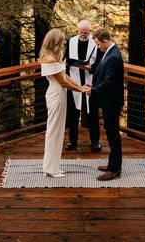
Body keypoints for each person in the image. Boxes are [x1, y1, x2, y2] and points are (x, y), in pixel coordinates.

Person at [39, 28, 90, 178]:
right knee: (53, 131)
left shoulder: (55, 56)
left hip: (60, 94)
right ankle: (50, 169)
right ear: (55, 42)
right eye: (60, 42)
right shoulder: (49, 58)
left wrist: (80, 86)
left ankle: (52, 167)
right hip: (56, 95)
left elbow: (66, 76)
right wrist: (80, 91)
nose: (62, 44)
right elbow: (63, 82)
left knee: (58, 131)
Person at [87, 27, 124, 181]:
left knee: (113, 135)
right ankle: (111, 164)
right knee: (110, 133)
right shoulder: (108, 53)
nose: (98, 47)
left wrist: (93, 91)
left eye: (98, 44)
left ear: (105, 41)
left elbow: (109, 83)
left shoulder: (114, 57)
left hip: (112, 102)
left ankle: (115, 169)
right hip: (108, 101)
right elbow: (101, 73)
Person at [64, 19, 102, 152]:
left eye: (85, 33)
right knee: (73, 113)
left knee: (92, 113)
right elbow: (65, 57)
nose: (83, 35)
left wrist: (90, 67)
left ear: (89, 32)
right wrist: (66, 62)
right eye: (81, 32)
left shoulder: (95, 43)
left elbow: (100, 63)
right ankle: (72, 141)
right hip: (74, 81)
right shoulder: (71, 41)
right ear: (77, 30)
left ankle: (95, 141)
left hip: (90, 81)